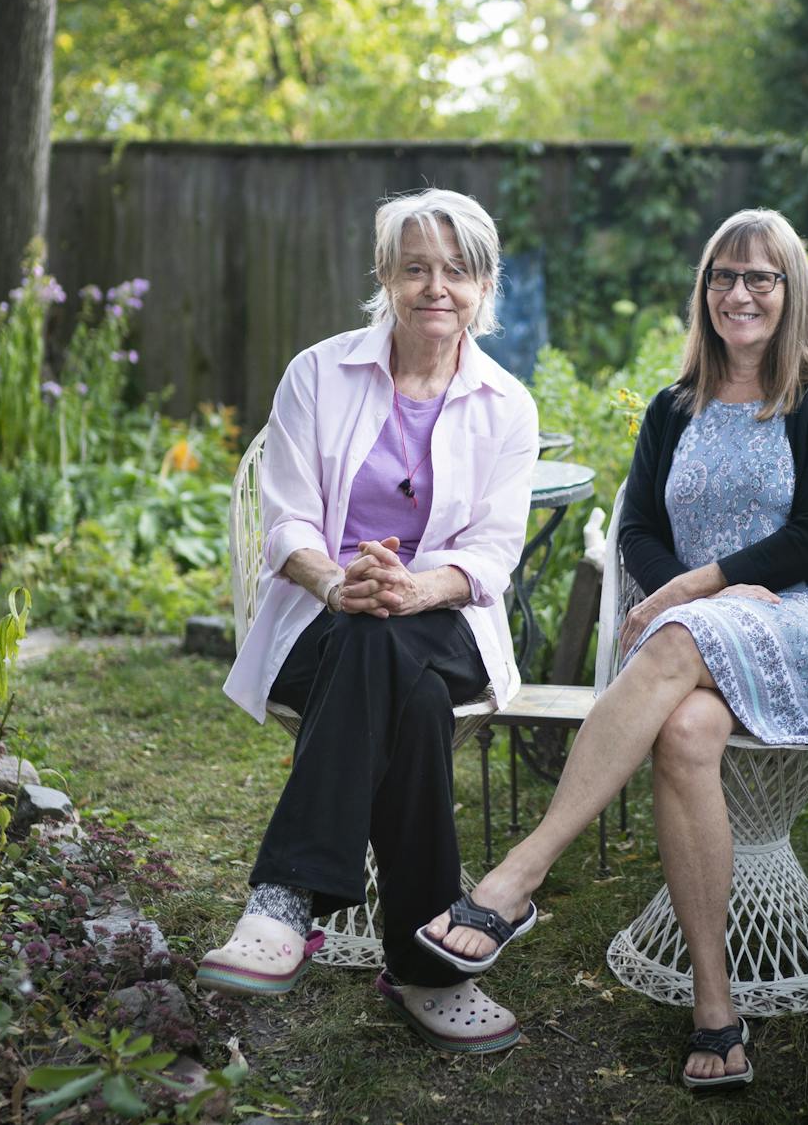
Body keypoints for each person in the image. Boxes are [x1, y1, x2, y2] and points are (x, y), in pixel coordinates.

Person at [417, 208, 808, 1088]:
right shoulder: (676, 408)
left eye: (759, 278)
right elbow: (637, 533)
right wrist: (699, 593)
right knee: (685, 733)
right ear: (703, 291)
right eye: (722, 276)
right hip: (711, 638)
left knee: (675, 632)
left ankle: (518, 877)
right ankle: (717, 1010)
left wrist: (692, 590)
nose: (738, 294)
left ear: (791, 292)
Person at [201, 188, 538, 1057]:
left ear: (483, 286)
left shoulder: (507, 405)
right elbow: (286, 524)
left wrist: (416, 589)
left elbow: (494, 555)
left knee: (386, 639)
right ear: (386, 276)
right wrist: (337, 579)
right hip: (323, 618)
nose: (436, 287)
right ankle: (427, 967)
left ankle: (285, 900)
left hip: (447, 620)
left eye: (456, 271)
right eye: (416, 267)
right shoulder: (318, 373)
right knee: (401, 687)